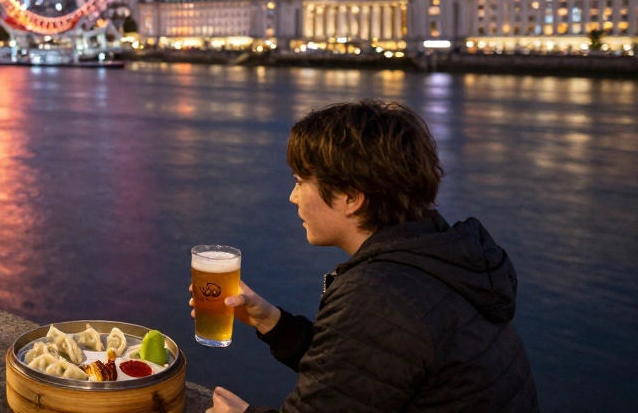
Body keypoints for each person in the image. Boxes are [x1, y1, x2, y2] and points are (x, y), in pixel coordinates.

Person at [197, 100, 539, 413]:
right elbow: (369, 372)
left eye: (301, 181)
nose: (292, 197)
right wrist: (270, 321)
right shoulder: (441, 257)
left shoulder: (378, 295)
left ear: (350, 197)